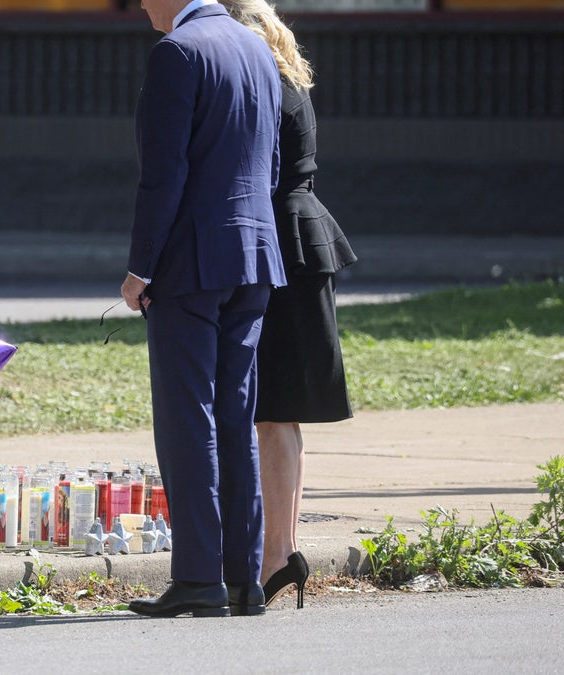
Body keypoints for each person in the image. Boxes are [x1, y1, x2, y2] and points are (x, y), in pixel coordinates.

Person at [121, 0, 286, 618]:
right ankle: (243, 579)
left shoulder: (178, 51)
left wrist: (140, 267)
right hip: (252, 257)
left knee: (188, 417)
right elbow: (267, 167)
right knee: (235, 416)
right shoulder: (256, 48)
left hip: (190, 261)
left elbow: (163, 174)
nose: (140, 4)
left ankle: (196, 577)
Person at [222, 0, 357, 610]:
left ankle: (276, 555)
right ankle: (282, 551)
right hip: (303, 238)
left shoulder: (262, 82)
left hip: (281, 242)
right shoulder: (287, 72)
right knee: (282, 410)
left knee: (272, 408)